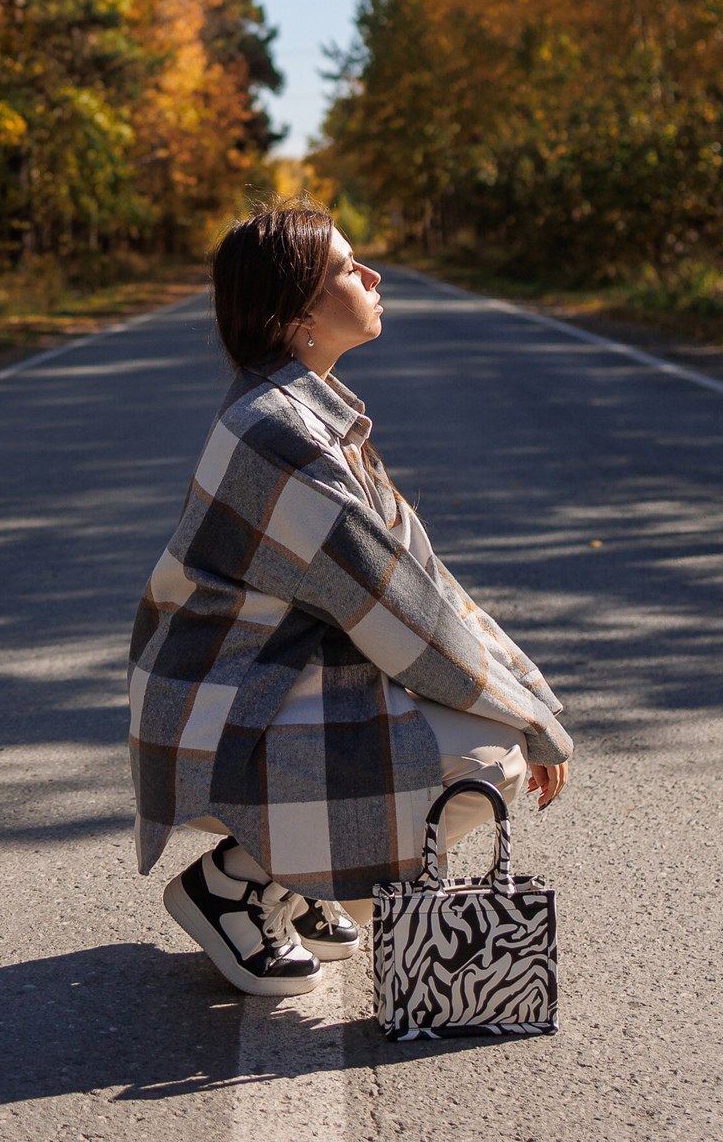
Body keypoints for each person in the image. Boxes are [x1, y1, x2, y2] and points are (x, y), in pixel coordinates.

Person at [127, 200, 572, 995]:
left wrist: (533, 693)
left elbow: (427, 585)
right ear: (295, 312)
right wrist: (530, 722)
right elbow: (403, 616)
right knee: (491, 758)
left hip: (257, 695)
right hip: (220, 725)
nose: (372, 275)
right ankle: (235, 883)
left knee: (482, 727)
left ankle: (291, 879)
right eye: (344, 267)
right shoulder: (281, 435)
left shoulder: (305, 411)